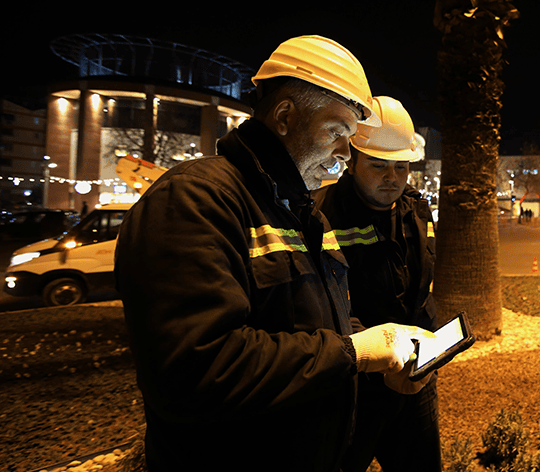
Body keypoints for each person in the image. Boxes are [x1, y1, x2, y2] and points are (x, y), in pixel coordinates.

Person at [114, 36, 433, 472]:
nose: (345, 154)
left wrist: (386, 349)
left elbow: (317, 317)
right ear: (285, 115)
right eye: (338, 133)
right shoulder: (193, 202)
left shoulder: (299, 210)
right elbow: (197, 369)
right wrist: (354, 352)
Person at [311, 96, 441, 472]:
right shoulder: (321, 215)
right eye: (379, 165)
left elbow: (421, 290)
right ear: (351, 160)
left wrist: (430, 348)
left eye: (401, 167)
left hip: (414, 383)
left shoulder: (416, 211)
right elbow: (323, 305)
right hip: (354, 387)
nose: (392, 178)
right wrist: (376, 354)